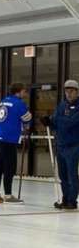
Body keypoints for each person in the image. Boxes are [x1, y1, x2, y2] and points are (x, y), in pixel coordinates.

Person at [0, 83, 32, 204]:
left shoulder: (4, 101)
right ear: (19, 92)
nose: (25, 94)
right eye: (24, 91)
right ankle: (8, 195)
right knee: (9, 167)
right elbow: (27, 118)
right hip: (9, 139)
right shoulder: (19, 103)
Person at [43, 80, 79, 210]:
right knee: (62, 175)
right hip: (61, 145)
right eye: (66, 91)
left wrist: (56, 120)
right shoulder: (62, 105)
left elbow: (70, 122)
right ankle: (65, 198)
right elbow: (56, 123)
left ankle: (72, 200)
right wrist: (48, 122)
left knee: (71, 175)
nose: (68, 94)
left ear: (77, 92)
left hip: (73, 145)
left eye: (71, 91)